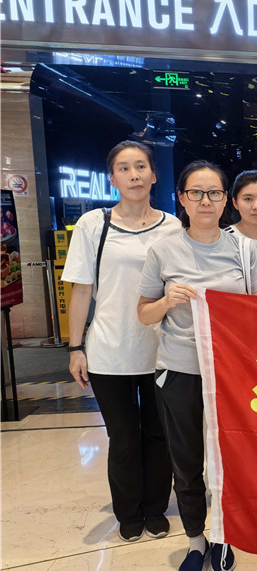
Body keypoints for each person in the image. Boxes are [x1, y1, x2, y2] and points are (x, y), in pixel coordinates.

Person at [137, 161, 257, 571]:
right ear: (182, 198)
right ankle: (196, 540)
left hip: (231, 375)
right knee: (187, 460)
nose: (205, 201)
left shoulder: (244, 251)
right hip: (179, 371)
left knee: (229, 461)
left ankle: (223, 537)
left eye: (214, 193)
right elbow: (143, 313)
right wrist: (166, 302)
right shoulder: (163, 251)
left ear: (226, 200)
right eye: (196, 193)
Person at [63, 140, 181, 543]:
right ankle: (129, 512)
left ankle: (155, 507)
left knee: (158, 434)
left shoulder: (171, 226)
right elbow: (81, 290)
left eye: (141, 166)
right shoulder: (93, 225)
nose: (134, 175)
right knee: (124, 437)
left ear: (154, 174)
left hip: (161, 349)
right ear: (112, 178)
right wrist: (75, 347)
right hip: (108, 349)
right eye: (124, 168)